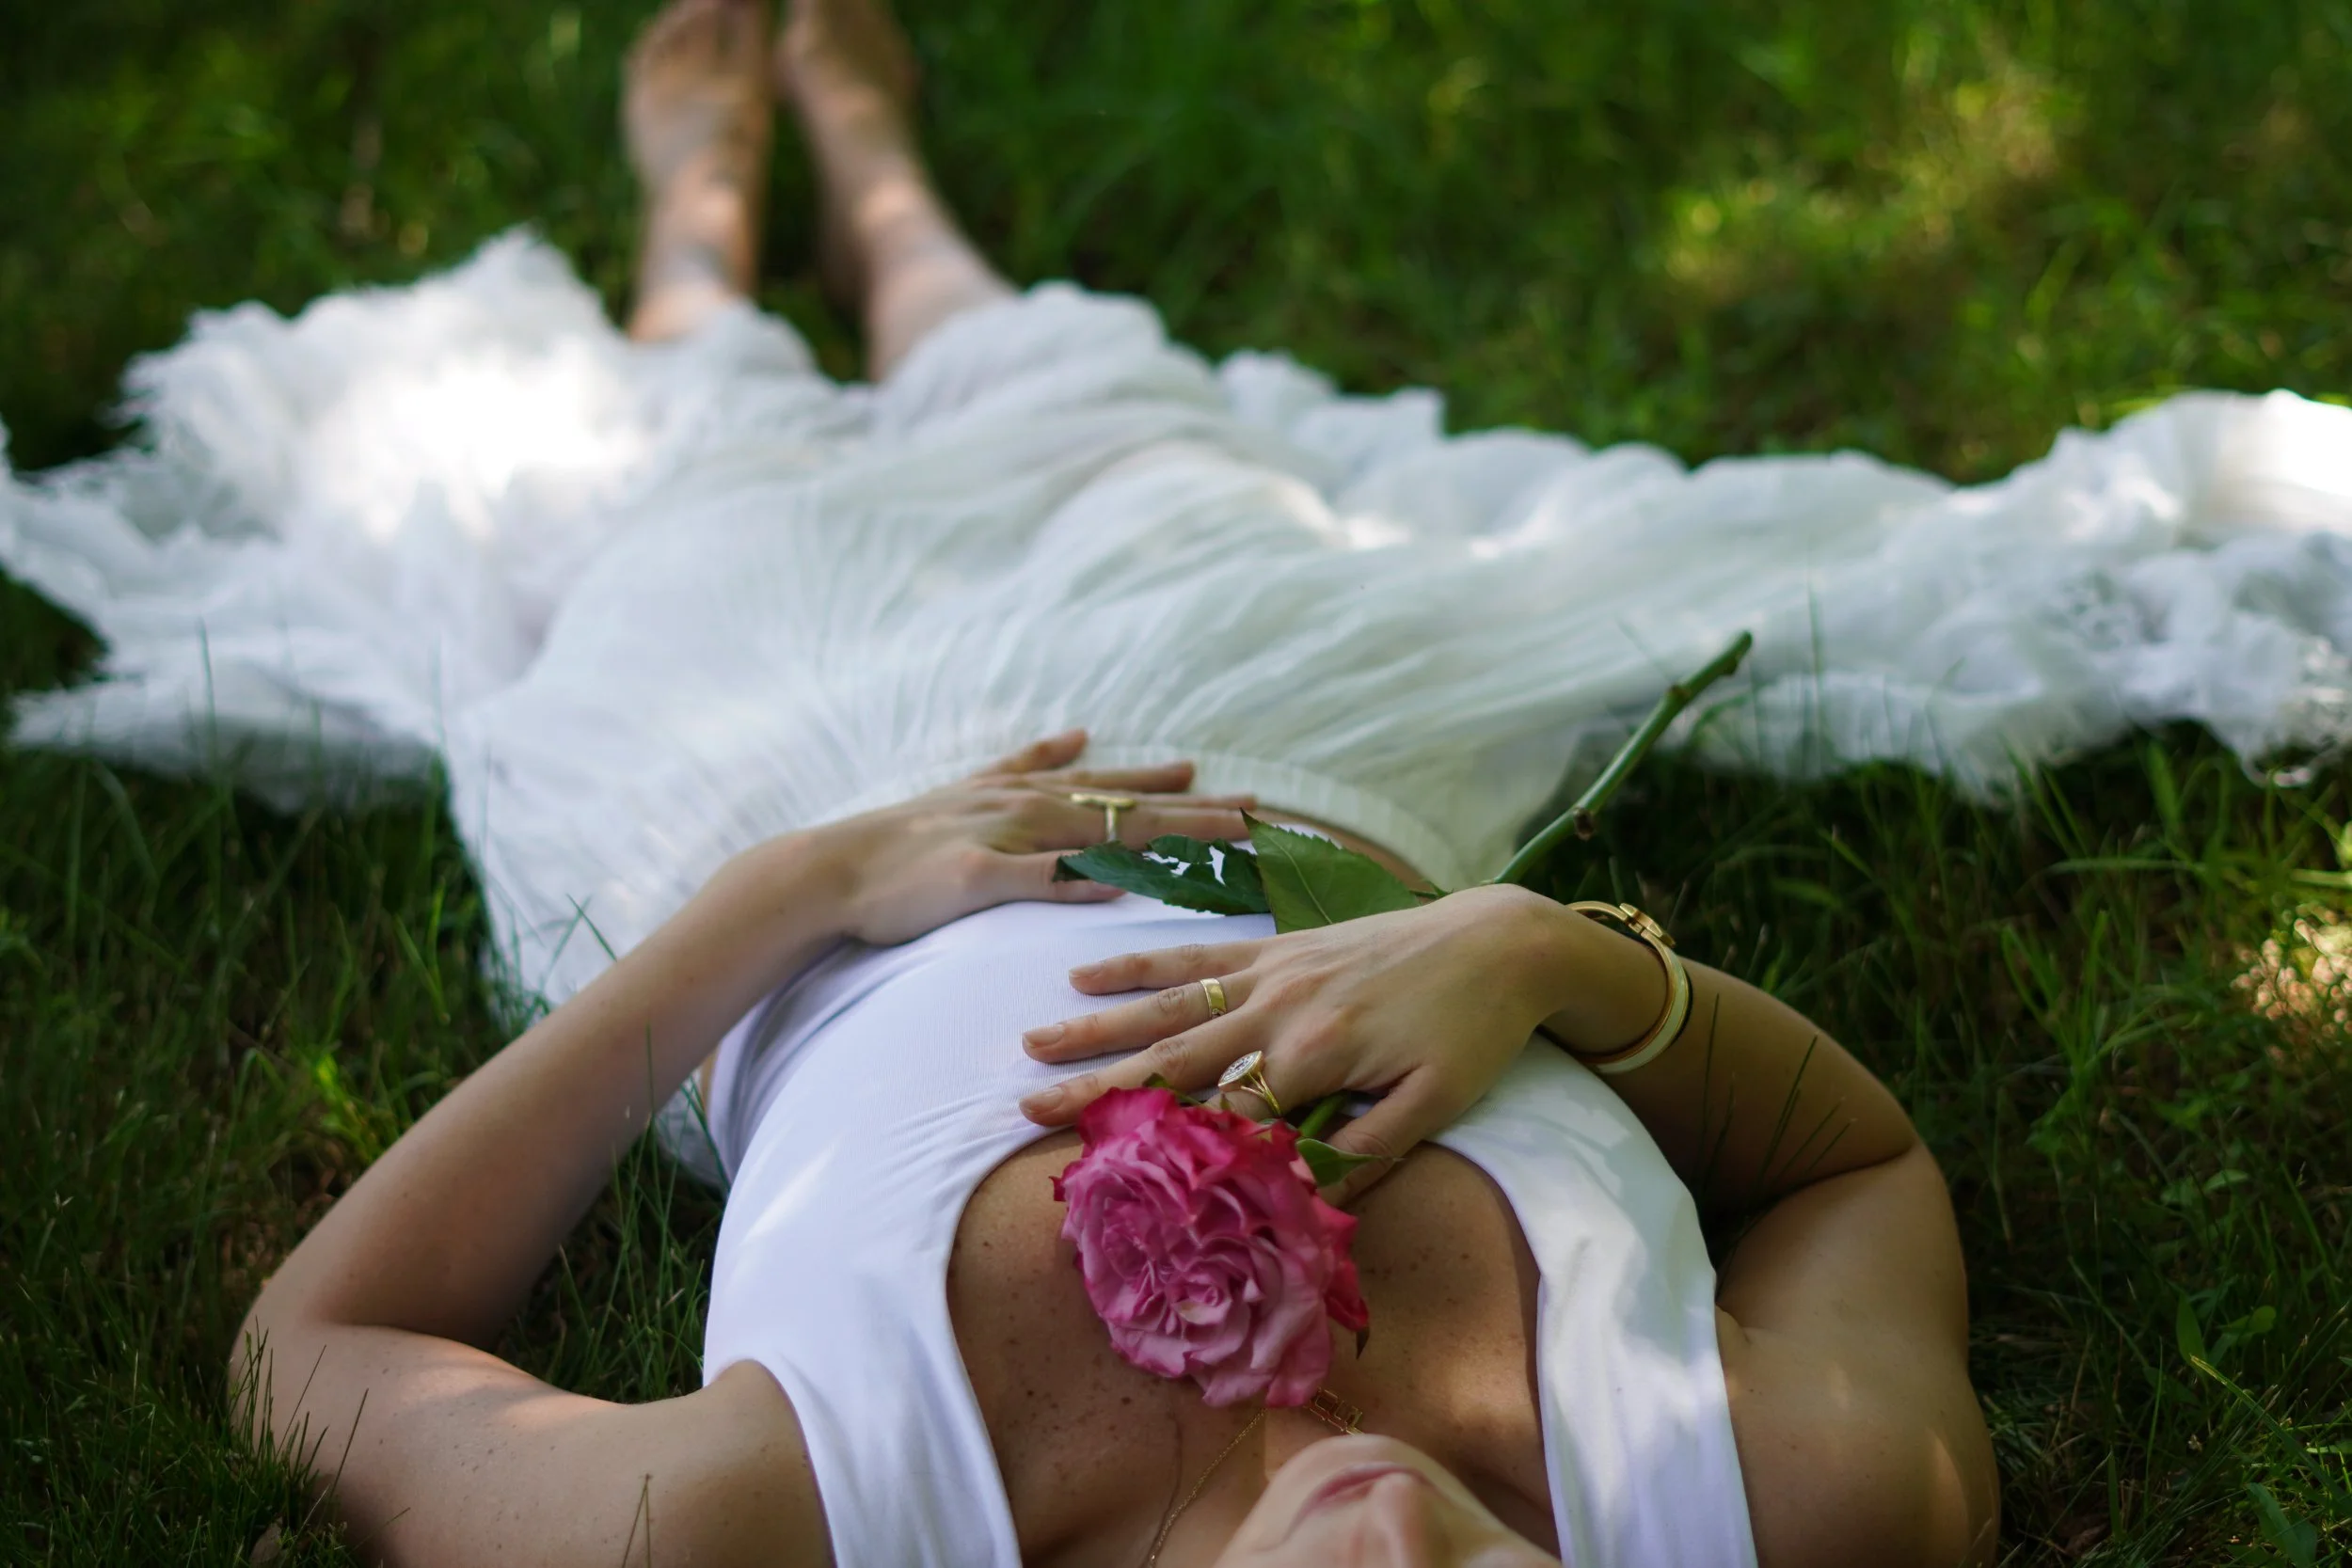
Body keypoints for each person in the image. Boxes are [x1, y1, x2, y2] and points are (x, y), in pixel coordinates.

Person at [226, 2, 2001, 1564]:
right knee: (1105, 421)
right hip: (1281, 725)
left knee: (696, 489)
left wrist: (798, 886)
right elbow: (1856, 1167)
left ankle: (695, 226)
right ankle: (874, 176)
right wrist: (1551, 959)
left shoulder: (776, 1526)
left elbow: (313, 1352)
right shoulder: (1802, 1494)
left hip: (769, 813)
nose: (1391, 1533)